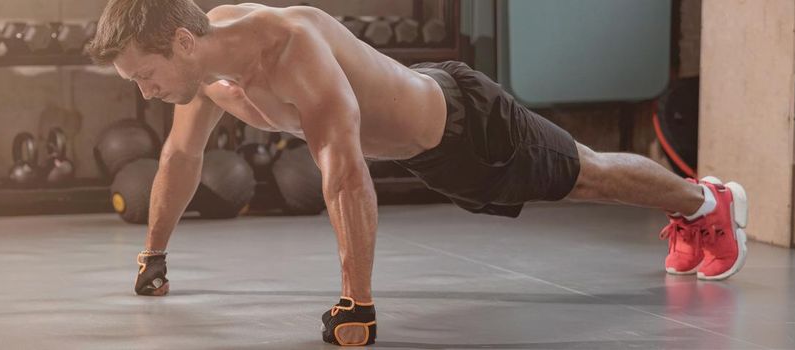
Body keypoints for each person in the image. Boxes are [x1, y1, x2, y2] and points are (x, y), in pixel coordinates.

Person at [85, 1, 748, 346]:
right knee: (584, 178)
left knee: (587, 175)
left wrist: (358, 305)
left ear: (179, 42)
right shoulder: (201, 75)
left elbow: (342, 172)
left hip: (467, 125)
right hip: (428, 156)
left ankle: (704, 202)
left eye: (145, 76)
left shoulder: (287, 48)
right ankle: (691, 209)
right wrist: (152, 255)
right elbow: (179, 158)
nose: (146, 92)